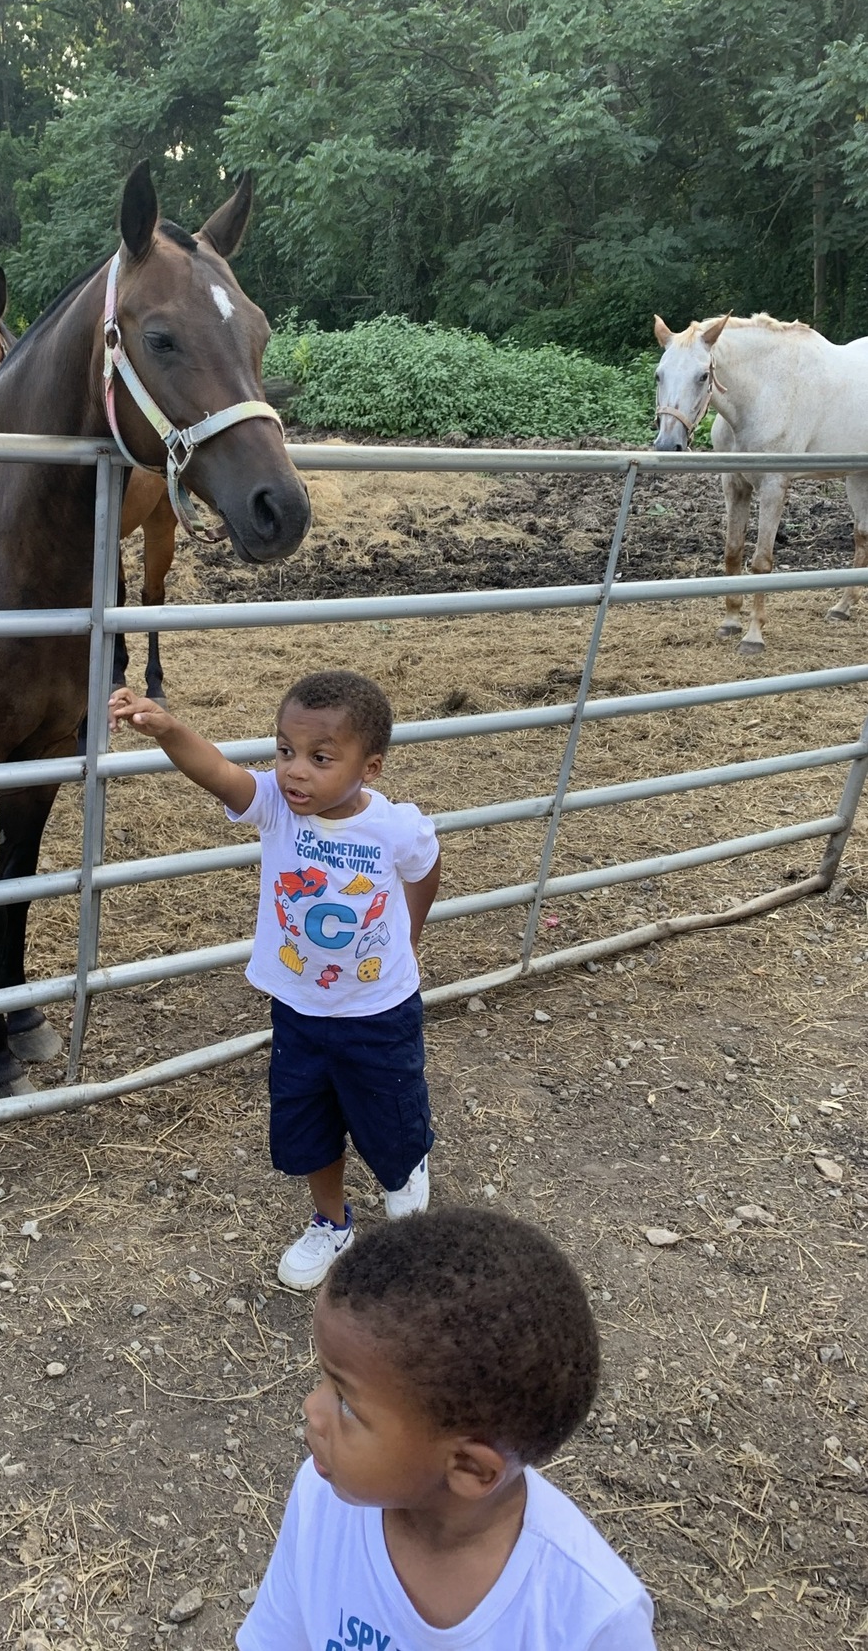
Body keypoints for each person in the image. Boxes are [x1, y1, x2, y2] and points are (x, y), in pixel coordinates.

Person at [109, 668, 442, 1290]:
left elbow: (425, 871)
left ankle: (404, 1171)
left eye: (320, 758)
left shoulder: (395, 827)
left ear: (369, 768)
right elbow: (218, 773)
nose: (294, 771)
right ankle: (331, 1222)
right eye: (285, 751)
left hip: (378, 1011)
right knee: (307, 1121)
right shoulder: (276, 808)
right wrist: (168, 728)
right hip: (299, 1008)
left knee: (390, 1116)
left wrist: (411, 938)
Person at [237, 1209, 658, 1650]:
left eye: (346, 1403)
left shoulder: (591, 1618)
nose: (312, 1409)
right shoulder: (322, 1498)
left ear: (470, 1469)